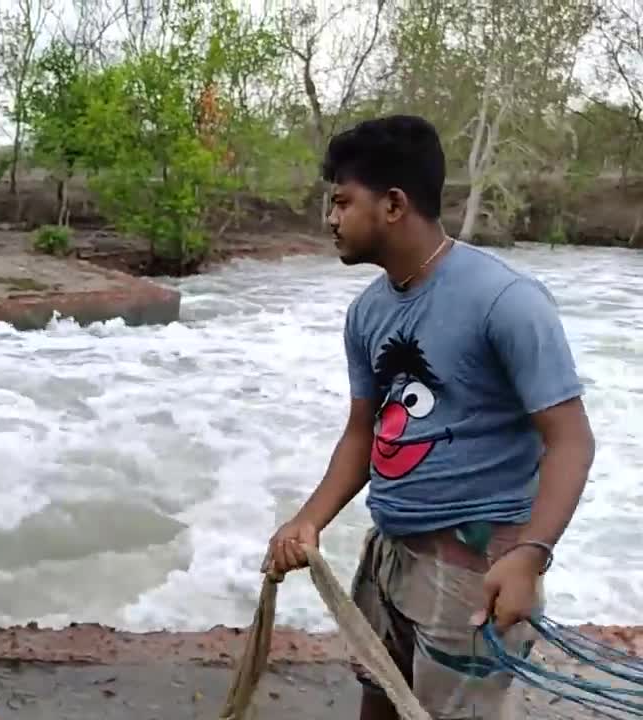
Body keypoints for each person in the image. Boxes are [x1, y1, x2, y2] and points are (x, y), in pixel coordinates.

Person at [263, 114, 597, 720]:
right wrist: (307, 521)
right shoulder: (366, 313)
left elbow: (571, 441)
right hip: (390, 552)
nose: (330, 218)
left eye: (342, 201)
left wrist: (530, 555)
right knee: (381, 697)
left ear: (393, 204)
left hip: (477, 567)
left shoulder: (506, 301)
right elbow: (365, 433)